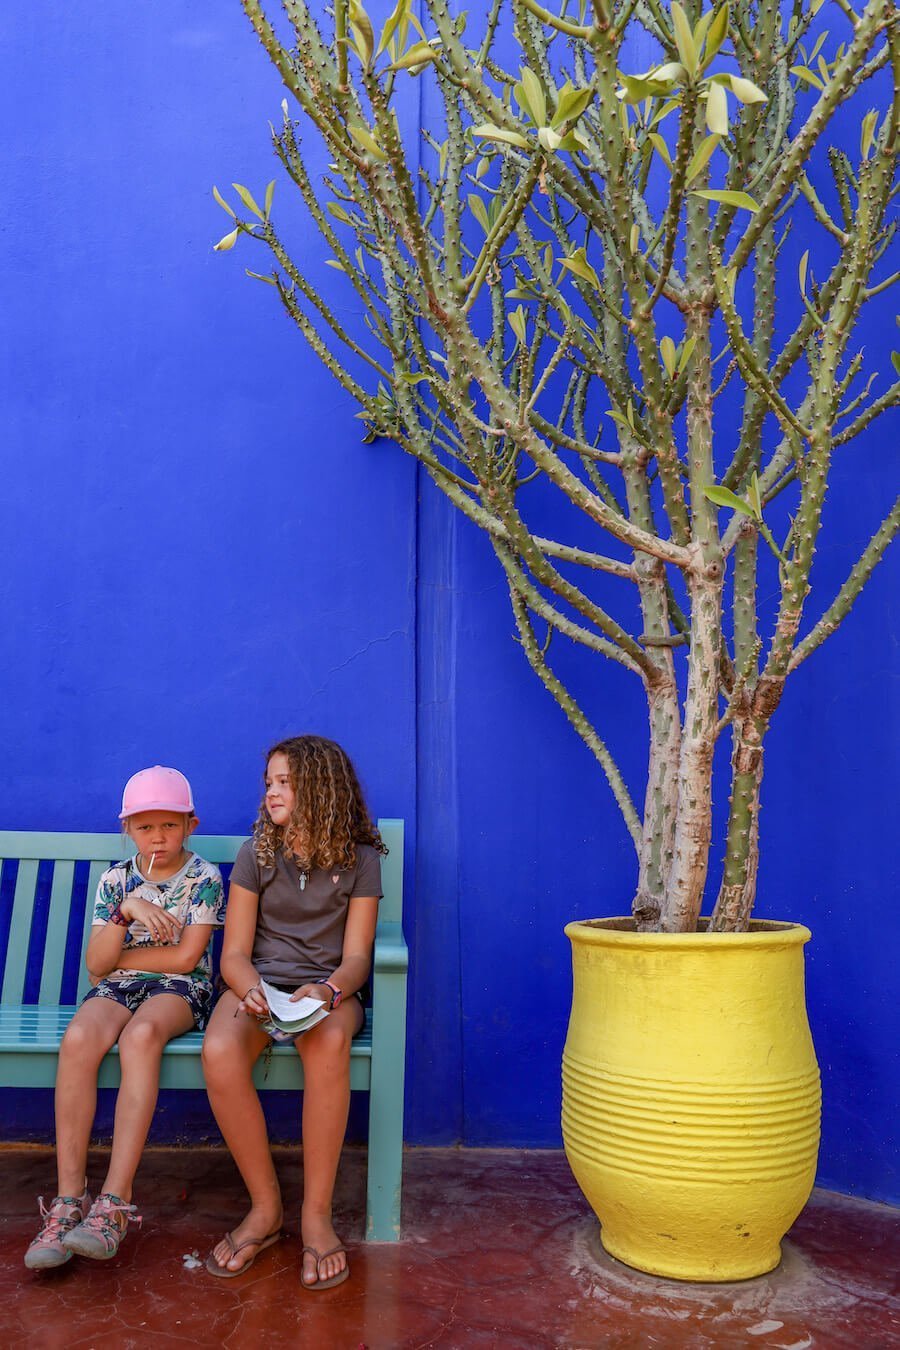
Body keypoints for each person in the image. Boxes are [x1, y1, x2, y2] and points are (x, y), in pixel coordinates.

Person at [24, 766, 225, 1270]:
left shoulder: (203, 877)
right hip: (118, 985)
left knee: (140, 1036)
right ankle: (68, 1202)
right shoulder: (117, 880)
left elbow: (184, 961)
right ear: (128, 829)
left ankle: (114, 1203)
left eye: (170, 825)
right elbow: (97, 966)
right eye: (144, 826)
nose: (158, 837)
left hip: (183, 990)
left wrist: (118, 959)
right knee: (78, 1040)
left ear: (191, 824)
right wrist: (127, 911)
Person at [202, 735, 384, 1290]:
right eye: (269, 784)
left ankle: (316, 1215)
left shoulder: (362, 859)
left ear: (320, 789)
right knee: (218, 1050)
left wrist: (327, 991)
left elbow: (357, 957)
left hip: (326, 996)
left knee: (328, 1041)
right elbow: (232, 953)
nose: (271, 793)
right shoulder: (255, 852)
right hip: (258, 988)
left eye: (284, 782)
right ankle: (266, 1208)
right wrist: (252, 987)